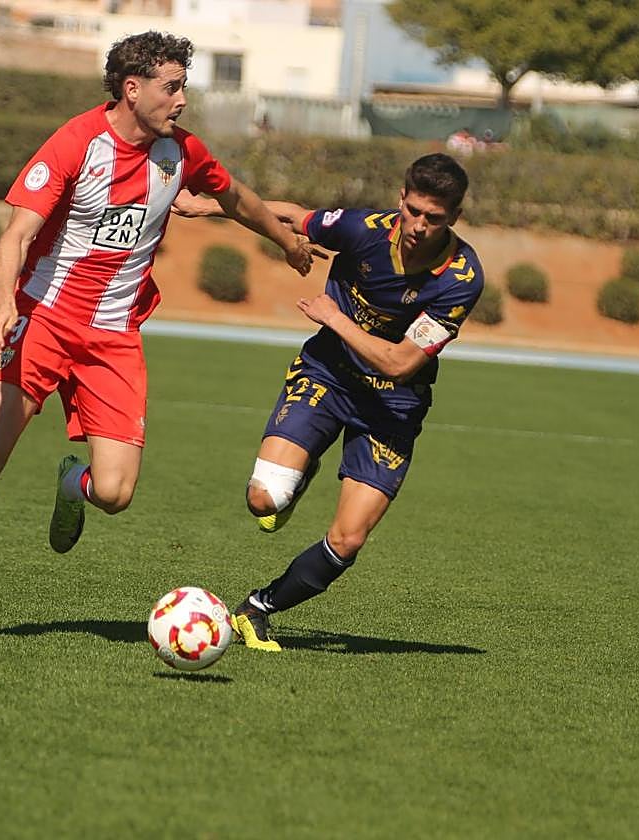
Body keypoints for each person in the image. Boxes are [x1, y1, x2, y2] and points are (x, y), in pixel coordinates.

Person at [0, 31, 316, 638]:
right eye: (172, 87)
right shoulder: (76, 142)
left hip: (114, 337)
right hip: (41, 323)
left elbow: (238, 198)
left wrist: (285, 237)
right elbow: (15, 235)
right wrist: (3, 303)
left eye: (184, 86)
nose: (182, 99)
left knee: (113, 493)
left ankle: (72, 481)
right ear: (132, 90)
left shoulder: (182, 152)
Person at [173, 153, 483, 651]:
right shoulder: (364, 228)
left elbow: (401, 363)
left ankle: (258, 609)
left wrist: (335, 318)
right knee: (264, 499)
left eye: (435, 218)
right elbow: (296, 217)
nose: (420, 226)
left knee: (348, 540)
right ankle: (301, 473)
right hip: (329, 375)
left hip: (393, 404)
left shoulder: (461, 279)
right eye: (414, 211)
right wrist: (208, 206)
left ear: (455, 218)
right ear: (401, 199)